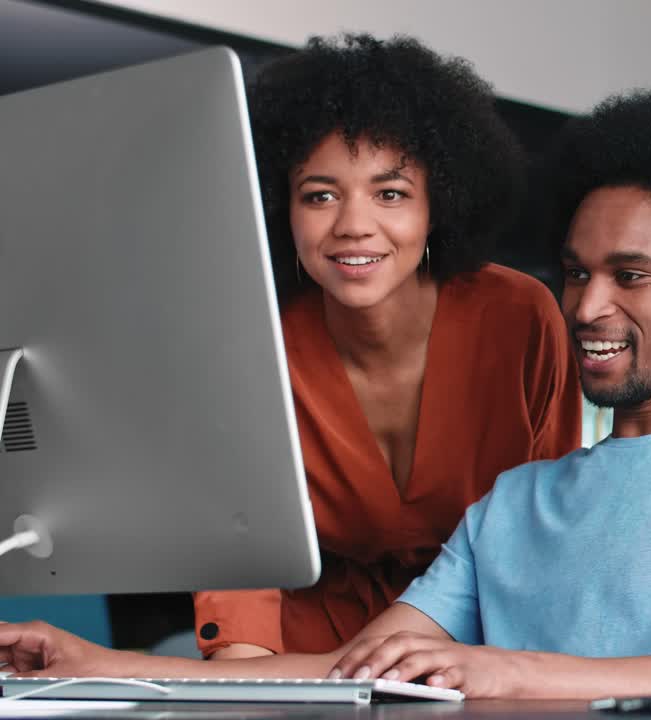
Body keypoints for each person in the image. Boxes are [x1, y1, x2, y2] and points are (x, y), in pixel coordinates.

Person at [0, 88, 651, 699]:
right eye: (576, 273)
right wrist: (99, 662)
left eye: (631, 276)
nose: (588, 305)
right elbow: (352, 666)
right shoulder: (512, 502)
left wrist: (499, 665)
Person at [195, 33, 582, 659]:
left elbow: (551, 523)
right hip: (303, 652)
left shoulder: (519, 318)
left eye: (390, 193)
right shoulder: (252, 334)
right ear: (279, 207)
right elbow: (240, 556)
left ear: (439, 205)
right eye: (319, 195)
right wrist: (250, 688)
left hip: (476, 642)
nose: (352, 224)